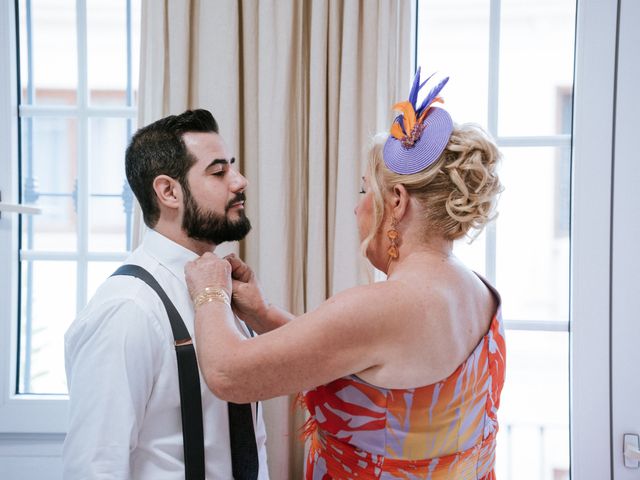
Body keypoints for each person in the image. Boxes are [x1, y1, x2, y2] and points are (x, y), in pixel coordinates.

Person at [185, 68, 505, 479]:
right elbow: (360, 360)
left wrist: (209, 291)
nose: (357, 209)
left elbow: (229, 374)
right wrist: (264, 314)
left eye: (363, 191)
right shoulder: (476, 290)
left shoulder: (386, 306)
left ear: (397, 201)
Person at [63, 109, 269, 479]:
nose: (240, 181)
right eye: (219, 171)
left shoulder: (229, 292)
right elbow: (95, 465)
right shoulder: (128, 309)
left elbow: (249, 439)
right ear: (169, 191)